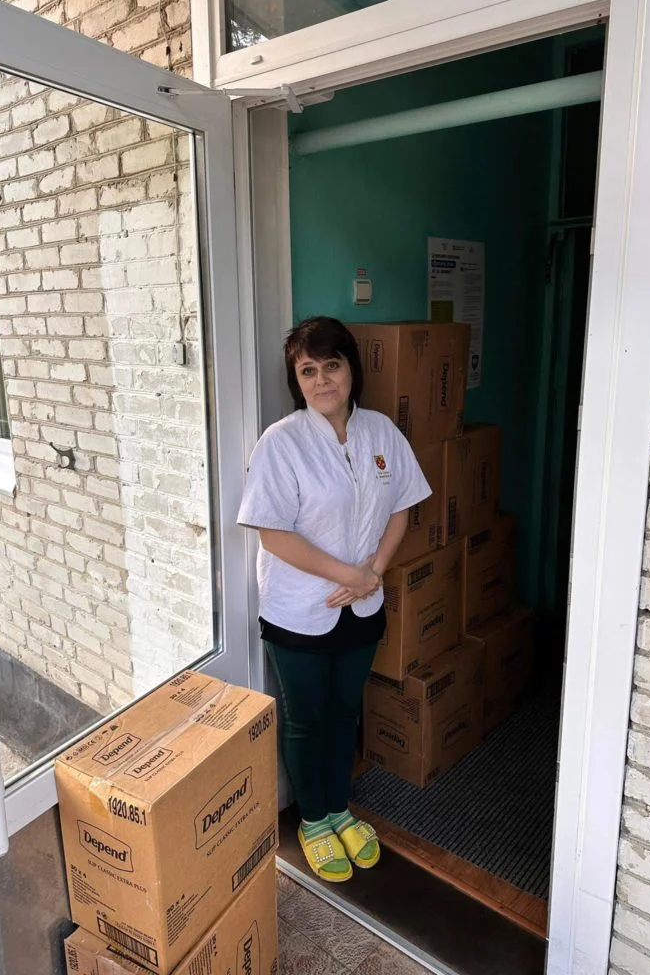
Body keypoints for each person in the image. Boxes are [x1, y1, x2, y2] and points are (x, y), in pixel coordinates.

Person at [237, 316, 431, 883]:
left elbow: (403, 504)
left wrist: (373, 573)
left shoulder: (380, 432)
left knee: (346, 716)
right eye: (308, 370)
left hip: (363, 606)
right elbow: (273, 532)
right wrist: (350, 571)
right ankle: (314, 820)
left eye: (332, 365)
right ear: (297, 381)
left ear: (351, 369)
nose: (323, 380)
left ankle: (341, 808)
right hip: (300, 611)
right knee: (306, 719)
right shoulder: (282, 442)